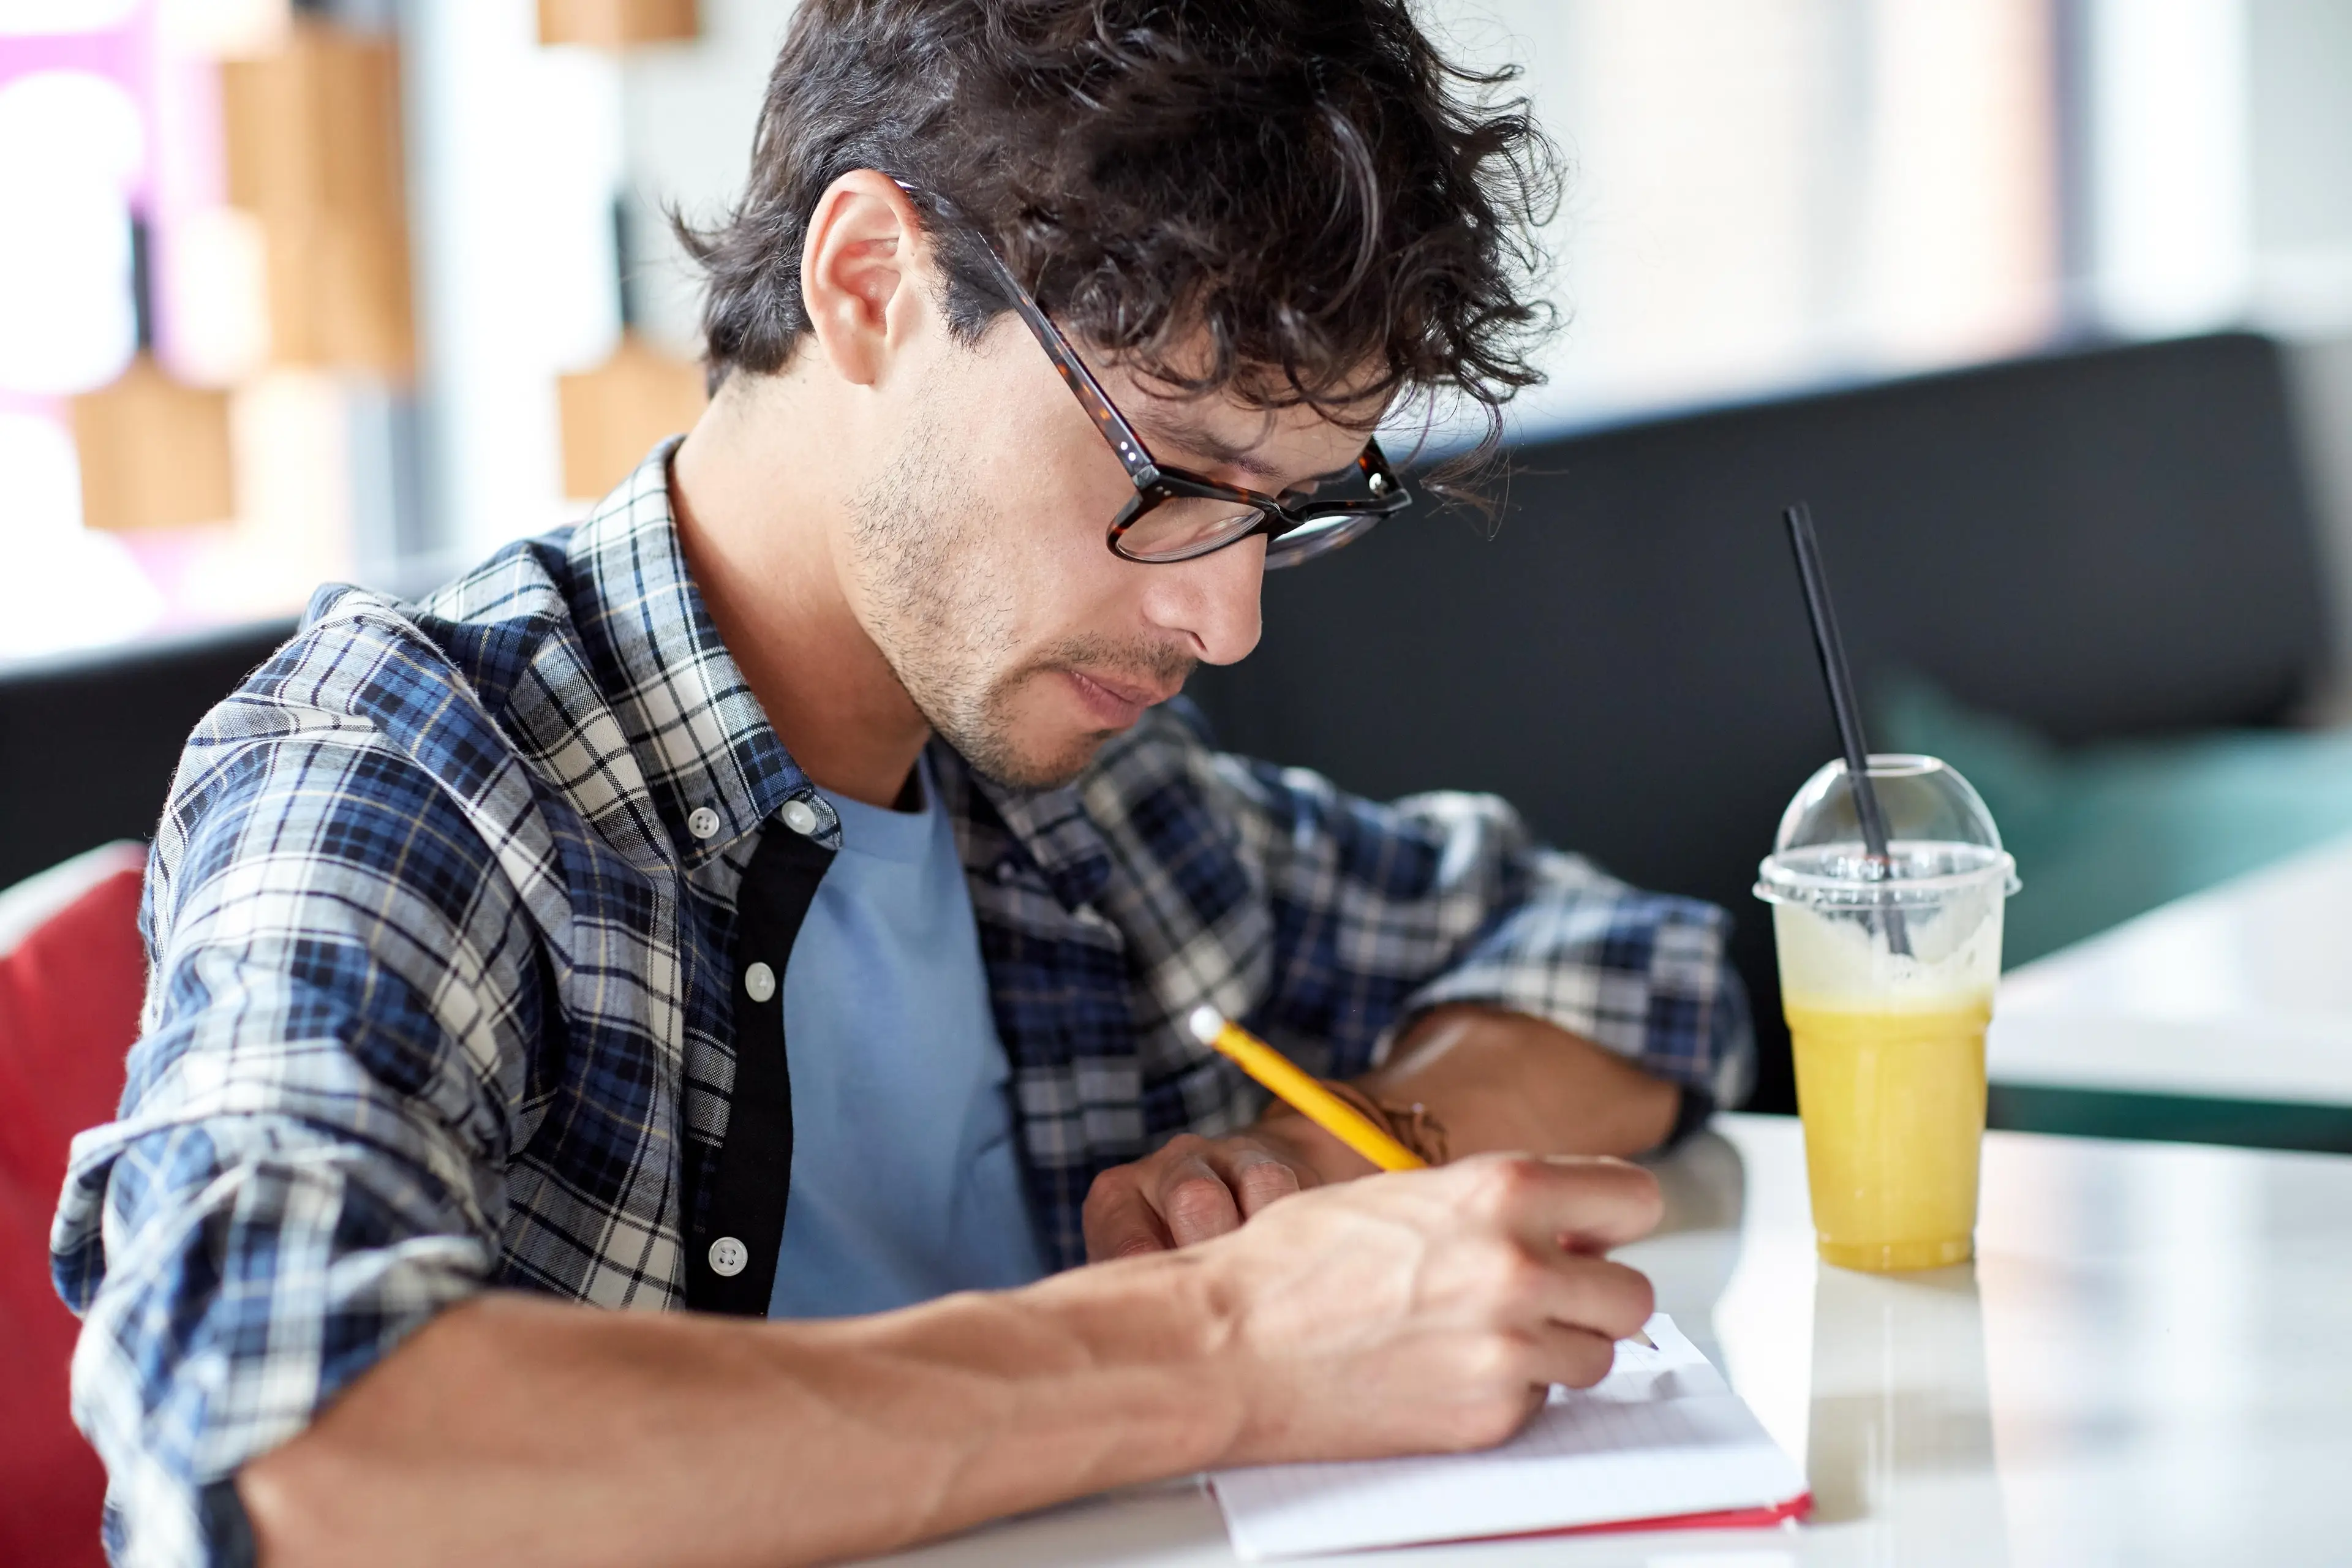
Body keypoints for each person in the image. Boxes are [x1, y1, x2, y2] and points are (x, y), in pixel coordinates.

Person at [54, 2, 1752, 1564]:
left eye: (1290, 513)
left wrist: (1342, 1174)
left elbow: (1624, 967)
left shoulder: (1074, 789)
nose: (1222, 619)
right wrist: (1233, 1346)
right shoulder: (416, 764)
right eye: (1179, 475)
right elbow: (288, 1443)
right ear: (871, 284)